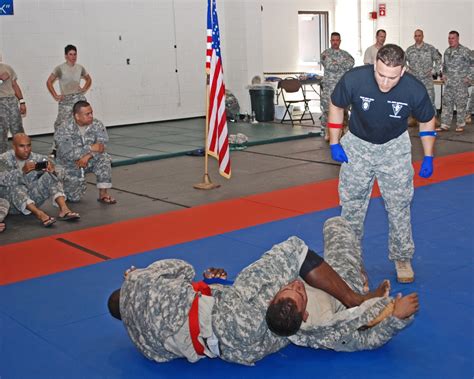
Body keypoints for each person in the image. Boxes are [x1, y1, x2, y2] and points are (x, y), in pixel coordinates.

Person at [107, 216, 404, 366]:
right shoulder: (139, 283)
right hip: (232, 314)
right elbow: (181, 268)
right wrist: (139, 275)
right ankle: (355, 297)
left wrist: (206, 287)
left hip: (233, 351)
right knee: (311, 241)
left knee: (311, 331)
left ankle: (362, 304)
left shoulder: (144, 348)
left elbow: (171, 350)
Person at [327, 44, 436, 283]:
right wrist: (334, 142)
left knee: (399, 205)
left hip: (394, 147)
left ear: (403, 70)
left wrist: (428, 155)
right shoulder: (355, 79)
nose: (385, 83)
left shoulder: (414, 89)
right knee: (352, 206)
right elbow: (336, 105)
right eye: (381, 74)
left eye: (392, 77)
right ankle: (350, 261)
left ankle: (402, 258)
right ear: (374, 65)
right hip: (358, 145)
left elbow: (428, 120)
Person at [267, 217, 417, 353]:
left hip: (317, 275)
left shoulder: (273, 303)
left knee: (331, 224)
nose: (296, 284)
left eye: (288, 288)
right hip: (344, 287)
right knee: (337, 225)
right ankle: (359, 285)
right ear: (305, 315)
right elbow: (365, 341)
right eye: (300, 291)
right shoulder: (323, 328)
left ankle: (359, 272)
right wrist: (396, 319)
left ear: (272, 300)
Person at [0, 133, 80, 227]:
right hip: (12, 203)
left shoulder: (37, 158)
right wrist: (21, 172)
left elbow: (61, 171)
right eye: (22, 146)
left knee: (49, 176)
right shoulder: (3, 159)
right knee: (16, 186)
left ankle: (64, 209)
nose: (26, 150)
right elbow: (2, 179)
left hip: (33, 199)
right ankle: (40, 214)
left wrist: (53, 171)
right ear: (13, 146)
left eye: (28, 145)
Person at [54, 100, 116, 204]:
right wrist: (90, 148)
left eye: (91, 112)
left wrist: (88, 156)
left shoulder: (97, 124)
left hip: (89, 160)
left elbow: (102, 146)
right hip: (70, 165)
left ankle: (103, 194)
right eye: (87, 114)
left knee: (104, 158)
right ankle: (65, 186)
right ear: (77, 116)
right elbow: (68, 154)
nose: (91, 116)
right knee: (74, 198)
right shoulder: (63, 129)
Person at [47, 44, 92, 154]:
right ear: (66, 56)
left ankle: (85, 145)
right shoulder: (60, 68)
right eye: (70, 54)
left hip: (78, 97)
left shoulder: (80, 68)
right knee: (59, 124)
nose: (73, 56)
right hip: (66, 99)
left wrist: (84, 88)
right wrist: (55, 95)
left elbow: (88, 79)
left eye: (75, 54)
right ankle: (55, 148)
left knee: (84, 120)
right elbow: (49, 82)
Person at [320, 32, 355, 141]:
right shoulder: (325, 54)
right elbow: (330, 66)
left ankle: (342, 132)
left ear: (340, 41)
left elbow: (351, 63)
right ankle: (326, 133)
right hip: (329, 88)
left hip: (342, 87)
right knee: (327, 111)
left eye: (337, 40)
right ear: (330, 41)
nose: (335, 42)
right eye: (333, 40)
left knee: (343, 110)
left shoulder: (345, 54)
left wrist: (337, 63)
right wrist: (341, 64)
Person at [437, 31, 472, 133]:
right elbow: (444, 66)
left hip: (461, 83)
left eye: (452, 38)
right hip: (449, 84)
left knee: (461, 105)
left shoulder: (465, 51)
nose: (450, 40)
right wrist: (443, 75)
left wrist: (469, 77)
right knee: (447, 104)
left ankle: (460, 124)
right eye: (449, 38)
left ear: (457, 39)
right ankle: (445, 125)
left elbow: (472, 64)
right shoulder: (447, 52)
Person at [405, 29, 442, 126]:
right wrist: (408, 70)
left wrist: (434, 71)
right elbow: (402, 62)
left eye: (419, 36)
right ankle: (414, 118)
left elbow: (438, 60)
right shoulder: (409, 50)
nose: (417, 38)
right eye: (416, 36)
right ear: (414, 37)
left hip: (427, 79)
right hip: (414, 80)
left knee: (430, 98)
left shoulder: (430, 48)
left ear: (423, 36)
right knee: (413, 99)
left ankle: (433, 118)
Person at [0, 60, 26, 153]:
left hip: (11, 101)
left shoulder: (8, 68)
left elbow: (15, 85)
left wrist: (22, 101)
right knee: (1, 132)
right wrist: (0, 79)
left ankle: (22, 153)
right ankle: (2, 156)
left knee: (18, 129)